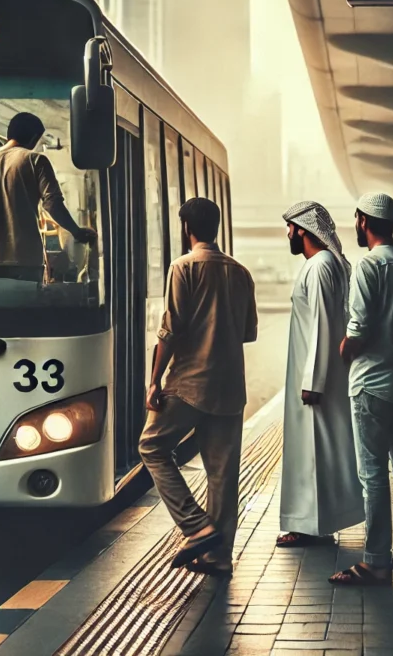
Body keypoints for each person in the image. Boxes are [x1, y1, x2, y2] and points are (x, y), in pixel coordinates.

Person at [139, 198, 257, 575]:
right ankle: (218, 556)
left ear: (186, 227)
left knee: (152, 446)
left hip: (189, 383)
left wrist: (155, 379)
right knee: (222, 471)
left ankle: (195, 525)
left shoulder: (183, 267)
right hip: (229, 386)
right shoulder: (240, 272)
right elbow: (248, 332)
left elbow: (170, 329)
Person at [330, 193, 393, 586]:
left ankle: (375, 560)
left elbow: (358, 329)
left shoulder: (368, 266)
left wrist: (343, 350)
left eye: (356, 219)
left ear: (364, 221)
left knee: (372, 473)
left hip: (372, 385)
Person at [278, 202, 364, 548]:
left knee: (315, 450)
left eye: (290, 228)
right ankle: (316, 523)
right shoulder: (325, 265)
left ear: (303, 229)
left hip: (317, 380)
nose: (288, 234)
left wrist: (313, 381)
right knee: (317, 451)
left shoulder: (319, 266)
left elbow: (323, 326)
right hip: (321, 375)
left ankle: (312, 526)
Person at [0, 112, 95, 283]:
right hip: (25, 260)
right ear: (34, 138)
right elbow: (52, 204)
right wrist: (77, 232)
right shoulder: (35, 160)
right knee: (24, 309)